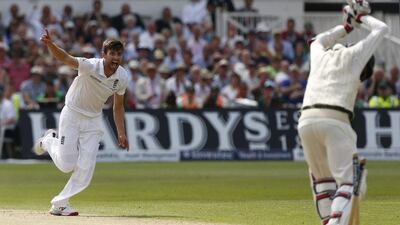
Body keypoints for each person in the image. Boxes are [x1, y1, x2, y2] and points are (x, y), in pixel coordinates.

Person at [297, 1, 388, 225]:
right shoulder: (356, 57)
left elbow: (319, 39)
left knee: (323, 183)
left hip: (306, 122)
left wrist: (348, 25)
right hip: (335, 120)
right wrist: (363, 18)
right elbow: (382, 29)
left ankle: (328, 221)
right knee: (352, 182)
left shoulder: (319, 54)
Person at [34, 29, 129, 216]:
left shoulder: (122, 77)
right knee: (66, 165)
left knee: (86, 167)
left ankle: (60, 204)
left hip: (93, 120)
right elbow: (66, 59)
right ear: (104, 55)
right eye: (112, 53)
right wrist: (50, 44)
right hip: (72, 114)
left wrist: (121, 133)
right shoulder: (91, 66)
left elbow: (118, 107)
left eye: (119, 54)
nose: (116, 57)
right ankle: (48, 141)